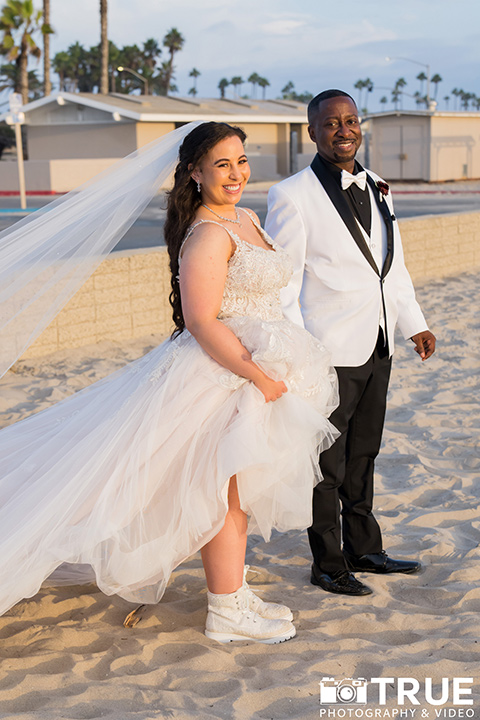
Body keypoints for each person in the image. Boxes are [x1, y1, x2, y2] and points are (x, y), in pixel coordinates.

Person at [0, 121, 339, 643]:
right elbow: (203, 322)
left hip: (256, 368)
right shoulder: (207, 233)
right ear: (195, 172)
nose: (235, 173)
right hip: (223, 374)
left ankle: (232, 591)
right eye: (222, 164)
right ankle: (226, 610)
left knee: (237, 488)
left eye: (241, 160)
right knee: (219, 489)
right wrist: (258, 376)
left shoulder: (246, 217)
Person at [265, 90, 436, 597]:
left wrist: (414, 324)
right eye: (332, 122)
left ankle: (365, 548)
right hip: (328, 352)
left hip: (378, 342)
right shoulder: (292, 195)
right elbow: (284, 286)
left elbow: (391, 269)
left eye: (352, 120)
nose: (344, 129)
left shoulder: (379, 186)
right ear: (312, 132)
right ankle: (328, 563)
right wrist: (302, 354)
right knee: (326, 463)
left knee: (365, 452)